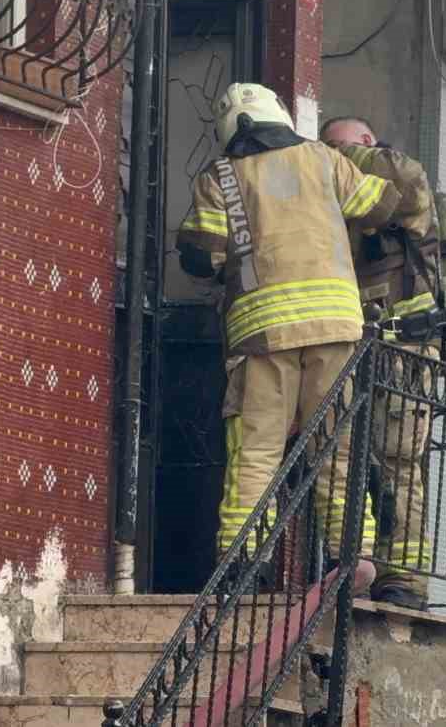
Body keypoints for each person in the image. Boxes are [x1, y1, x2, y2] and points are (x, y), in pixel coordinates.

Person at [177, 85, 400, 584]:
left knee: (256, 451)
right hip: (336, 326)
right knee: (336, 447)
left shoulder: (222, 177)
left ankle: (242, 567)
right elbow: (380, 204)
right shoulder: (322, 158)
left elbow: (201, 255)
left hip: (262, 334)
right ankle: (353, 559)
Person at [320, 114, 441, 611]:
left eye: (339, 147)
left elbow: (408, 181)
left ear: (367, 142)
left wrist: (333, 157)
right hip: (354, 347)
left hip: (407, 353)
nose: (331, 158)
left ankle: (405, 579)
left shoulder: (399, 177)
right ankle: (356, 562)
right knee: (344, 458)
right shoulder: (346, 199)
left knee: (398, 465)